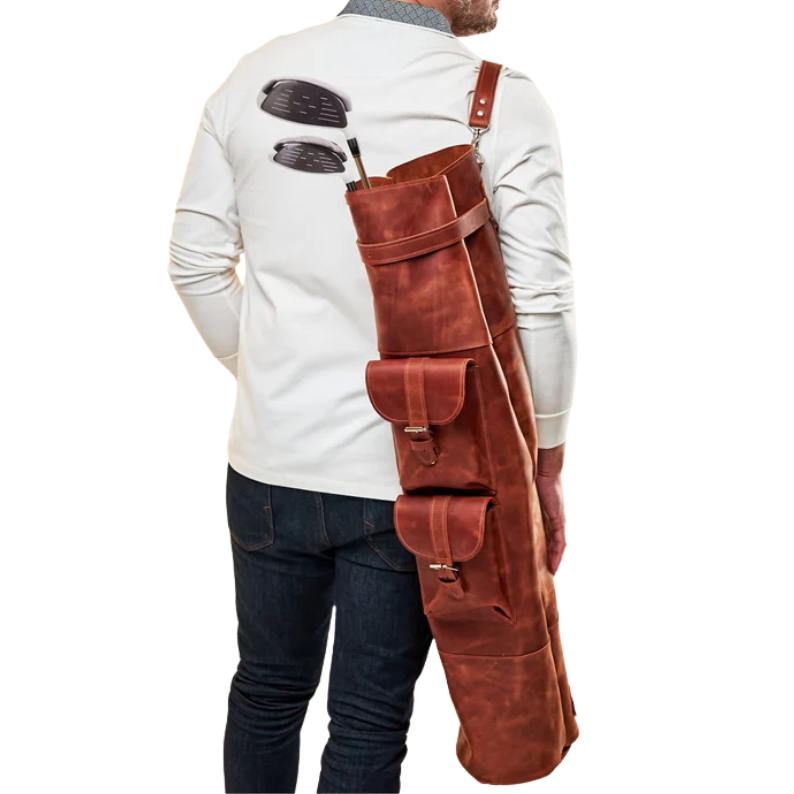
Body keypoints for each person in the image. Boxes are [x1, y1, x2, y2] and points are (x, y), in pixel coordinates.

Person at [168, 1, 577, 791]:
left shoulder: (253, 74)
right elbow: (542, 305)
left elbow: (194, 263)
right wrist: (547, 459)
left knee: (266, 691)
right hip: (416, 477)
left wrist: (272, 381)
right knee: (367, 721)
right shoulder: (498, 101)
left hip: (269, 465)